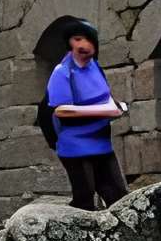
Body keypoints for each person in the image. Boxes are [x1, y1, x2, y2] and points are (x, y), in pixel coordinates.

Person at [45, 18, 129, 209]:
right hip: (76, 146)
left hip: (101, 142)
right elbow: (60, 109)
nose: (84, 45)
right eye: (77, 39)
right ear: (70, 43)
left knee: (118, 196)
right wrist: (102, 111)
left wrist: (115, 107)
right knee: (85, 197)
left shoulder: (95, 67)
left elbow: (105, 95)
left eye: (88, 40)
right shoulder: (62, 72)